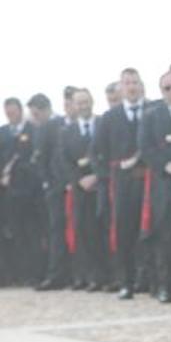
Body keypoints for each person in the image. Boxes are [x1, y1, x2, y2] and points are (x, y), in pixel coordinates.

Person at [94, 69, 149, 300]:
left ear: (142, 85)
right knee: (125, 232)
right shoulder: (109, 117)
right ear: (121, 87)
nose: (132, 87)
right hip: (122, 183)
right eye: (127, 83)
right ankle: (126, 282)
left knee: (150, 231)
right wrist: (111, 174)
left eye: (135, 82)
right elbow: (98, 152)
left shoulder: (153, 111)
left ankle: (149, 280)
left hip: (150, 179)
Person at [140, 72, 171, 303]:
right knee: (165, 238)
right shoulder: (151, 115)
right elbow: (146, 148)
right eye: (167, 88)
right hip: (165, 184)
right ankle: (166, 286)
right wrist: (164, 164)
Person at [56, 88, 108, 291]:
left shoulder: (103, 124)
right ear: (74, 106)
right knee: (85, 233)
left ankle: (110, 276)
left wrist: (97, 176)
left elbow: (109, 151)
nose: (83, 106)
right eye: (79, 103)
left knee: (104, 230)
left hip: (102, 185)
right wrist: (79, 180)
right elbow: (64, 161)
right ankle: (91, 276)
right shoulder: (66, 132)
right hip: (80, 190)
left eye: (86, 102)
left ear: (92, 102)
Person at [1, 97, 42, 285]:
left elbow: (34, 159)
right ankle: (19, 274)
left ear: (20, 110)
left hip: (29, 191)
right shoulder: (2, 133)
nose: (10, 114)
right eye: (7, 111)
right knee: (15, 233)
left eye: (13, 110)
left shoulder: (32, 130)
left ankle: (35, 273)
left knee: (32, 231)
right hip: (8, 193)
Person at [33, 90, 69, 290]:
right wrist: (48, 182)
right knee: (56, 230)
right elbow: (41, 160)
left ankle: (74, 273)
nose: (35, 119)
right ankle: (56, 274)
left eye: (37, 114)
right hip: (55, 187)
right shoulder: (46, 127)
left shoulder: (55, 125)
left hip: (73, 184)